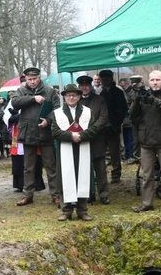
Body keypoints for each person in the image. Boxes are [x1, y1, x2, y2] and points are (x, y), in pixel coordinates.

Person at [129, 70, 161, 212]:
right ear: (148, 82)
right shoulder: (143, 94)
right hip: (146, 141)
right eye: (152, 80)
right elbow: (132, 116)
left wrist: (155, 101)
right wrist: (137, 99)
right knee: (147, 174)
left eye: (158, 80)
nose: (155, 82)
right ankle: (147, 202)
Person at [12, 66, 60, 206]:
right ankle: (28, 195)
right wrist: (33, 98)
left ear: (40, 78)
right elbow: (15, 103)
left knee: (51, 166)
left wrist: (48, 120)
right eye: (30, 79)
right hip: (28, 133)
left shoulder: (49, 91)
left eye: (35, 79)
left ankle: (55, 194)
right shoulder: (21, 90)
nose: (32, 82)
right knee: (28, 167)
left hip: (46, 133)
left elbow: (57, 108)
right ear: (25, 79)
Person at [51, 84, 100, 221]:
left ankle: (82, 210)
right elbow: (54, 131)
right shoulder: (58, 112)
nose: (71, 97)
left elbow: (94, 128)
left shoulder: (87, 111)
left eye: (74, 95)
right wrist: (71, 136)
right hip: (65, 148)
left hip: (83, 147)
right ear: (64, 97)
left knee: (82, 177)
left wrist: (82, 136)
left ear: (79, 96)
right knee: (66, 177)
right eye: (68, 95)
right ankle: (66, 210)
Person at [77, 75, 110, 204]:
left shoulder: (99, 99)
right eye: (82, 86)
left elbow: (103, 117)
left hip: (97, 138)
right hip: (81, 139)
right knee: (84, 168)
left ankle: (103, 194)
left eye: (87, 85)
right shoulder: (76, 101)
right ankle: (88, 193)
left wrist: (92, 130)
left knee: (100, 168)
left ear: (90, 86)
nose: (84, 88)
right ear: (79, 87)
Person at [98, 69, 128, 184]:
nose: (104, 81)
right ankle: (102, 173)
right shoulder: (101, 93)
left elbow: (123, 109)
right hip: (102, 128)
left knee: (114, 152)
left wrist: (116, 123)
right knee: (101, 152)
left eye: (107, 78)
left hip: (113, 127)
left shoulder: (117, 92)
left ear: (111, 79)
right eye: (103, 79)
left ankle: (116, 174)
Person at [119, 76, 136, 162]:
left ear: (128, 84)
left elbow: (134, 102)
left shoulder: (132, 92)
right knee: (125, 140)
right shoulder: (121, 92)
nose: (123, 87)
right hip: (123, 120)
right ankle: (126, 155)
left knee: (130, 139)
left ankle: (130, 155)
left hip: (129, 119)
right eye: (121, 86)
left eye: (124, 85)